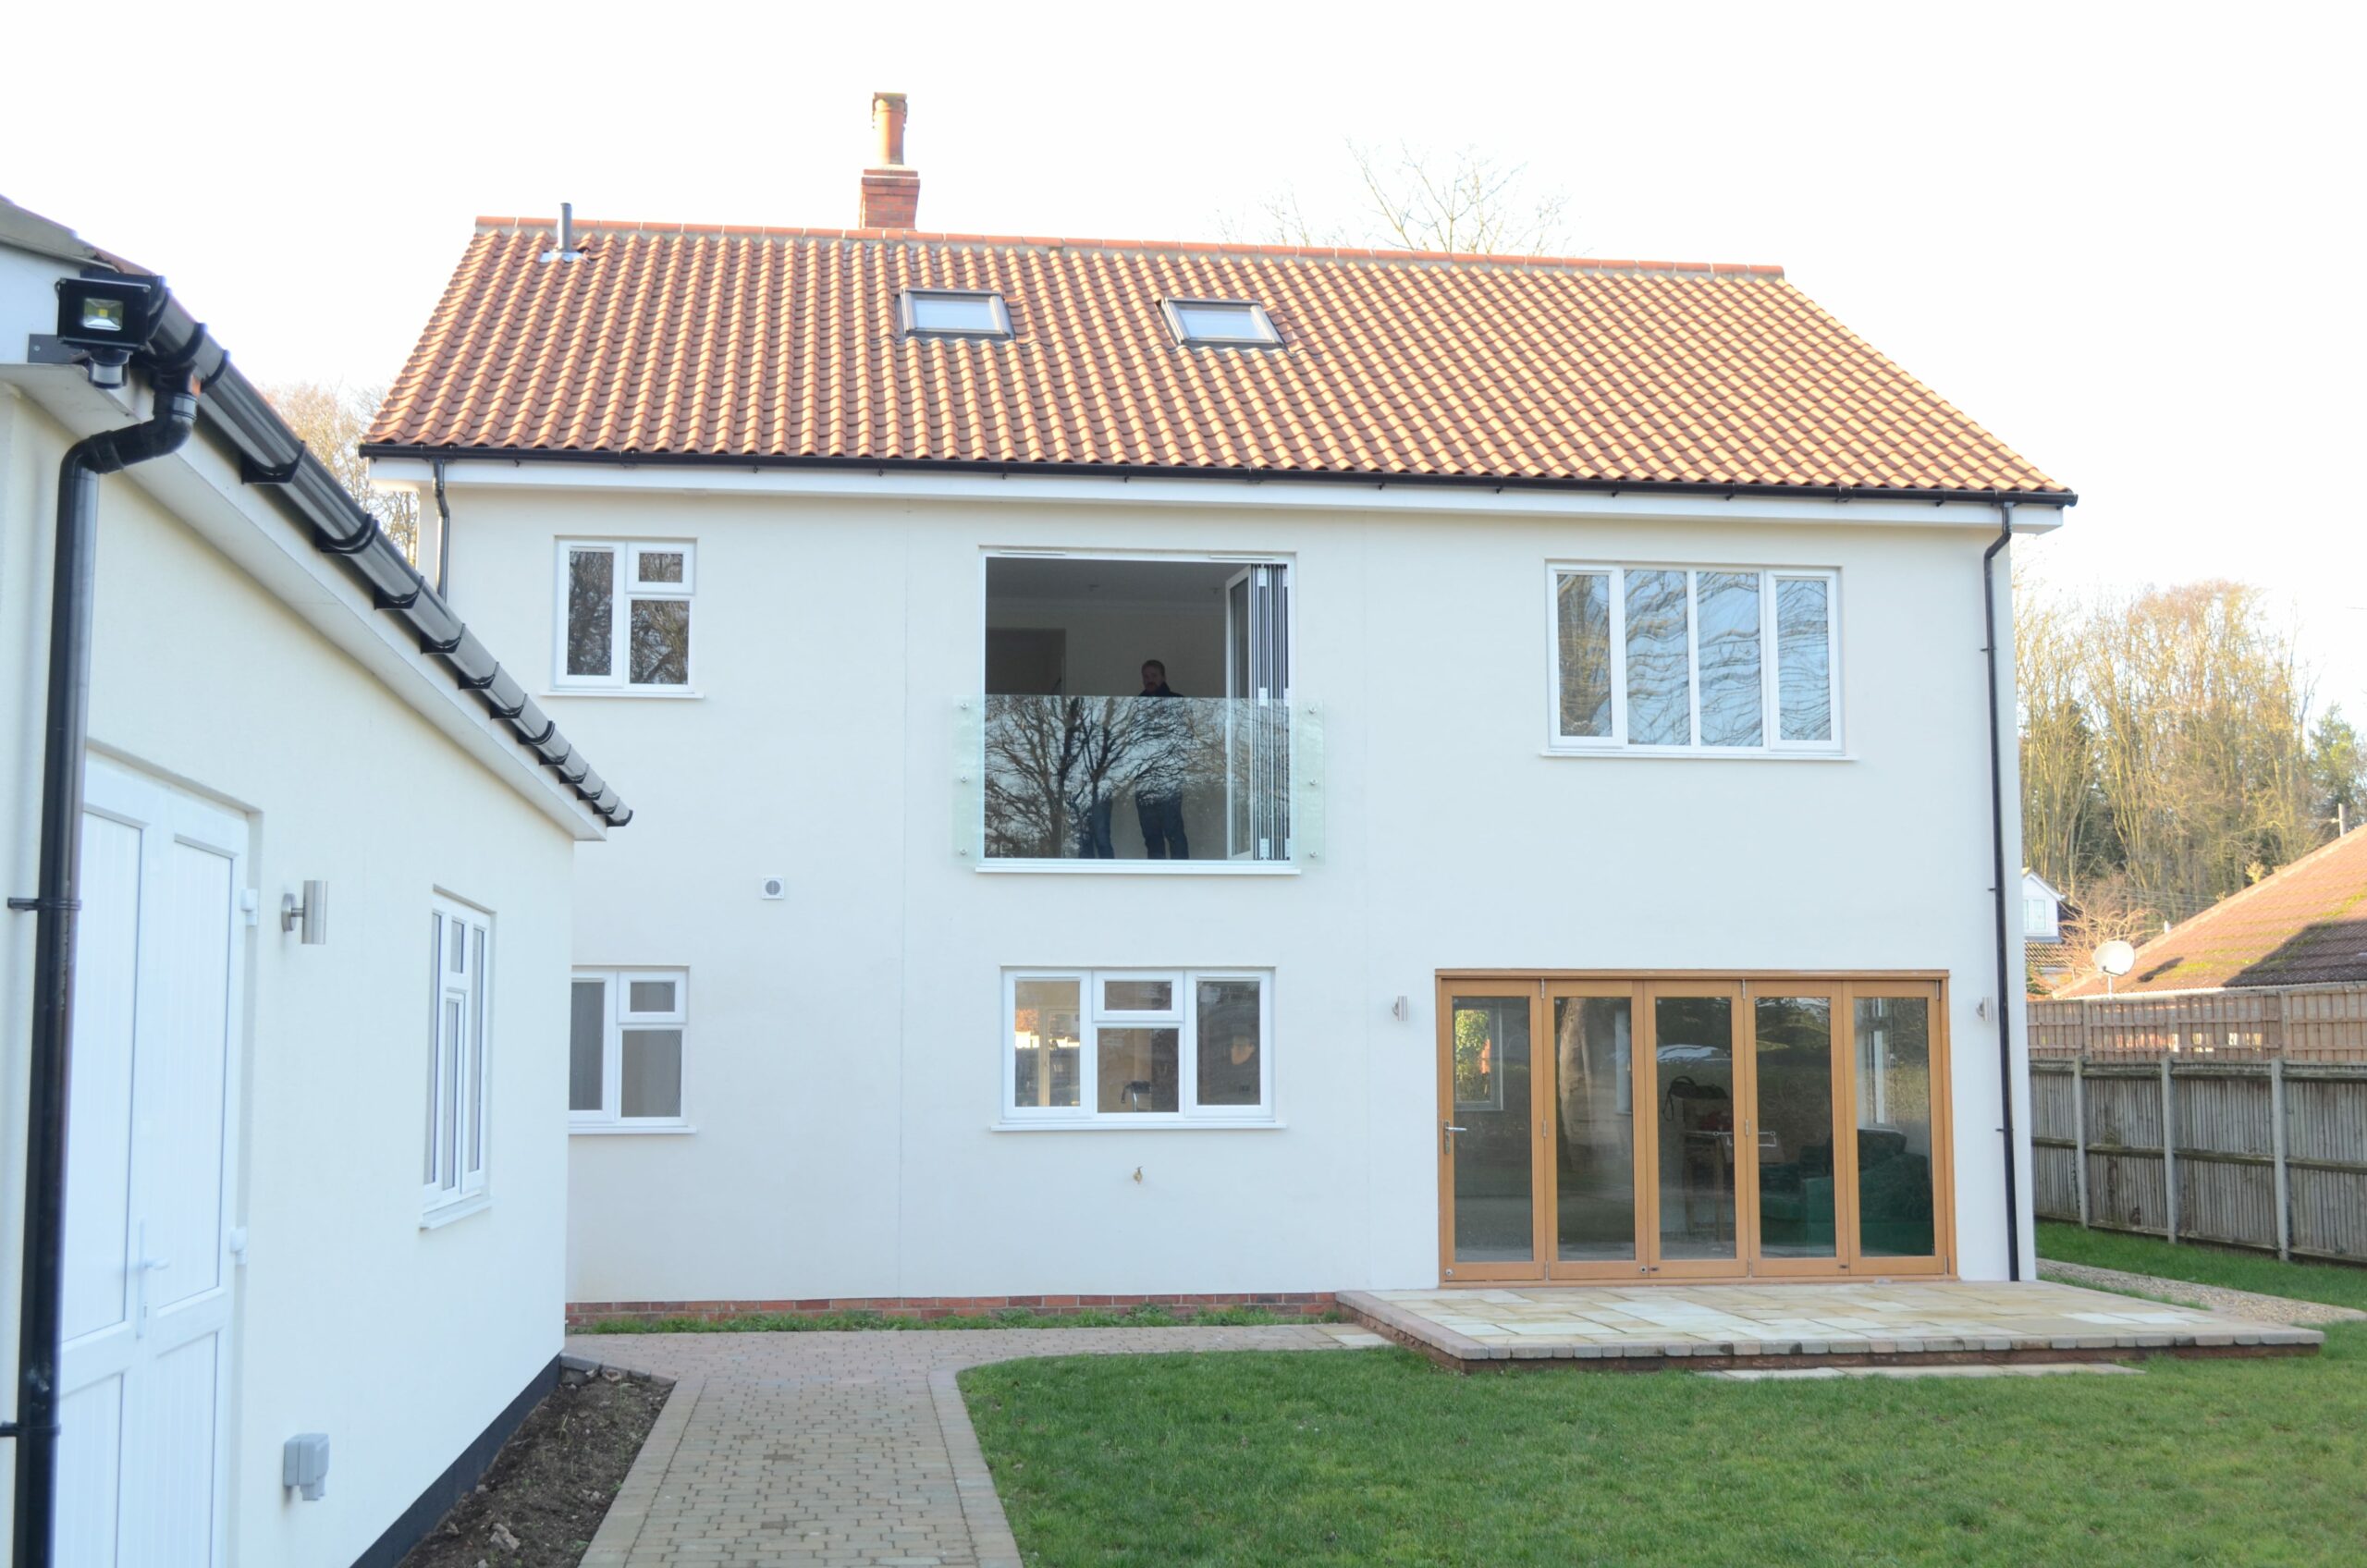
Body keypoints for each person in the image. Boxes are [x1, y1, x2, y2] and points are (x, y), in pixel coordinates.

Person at [1133, 659, 1190, 859]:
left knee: (1173, 830)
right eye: (1146, 677)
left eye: (1154, 676)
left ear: (1163, 677)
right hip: (1144, 779)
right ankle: (1156, 880)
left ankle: (1182, 876)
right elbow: (1130, 741)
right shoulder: (1137, 705)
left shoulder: (1176, 701)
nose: (1150, 680)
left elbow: (1186, 737)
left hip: (1169, 777)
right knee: (1151, 834)